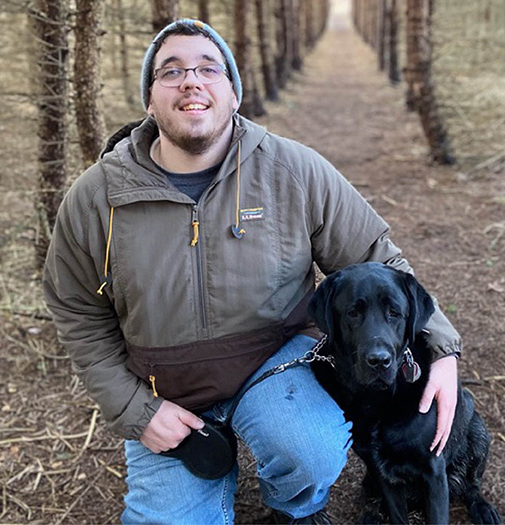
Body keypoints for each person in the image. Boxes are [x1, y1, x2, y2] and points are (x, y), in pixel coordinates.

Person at [43, 18, 462, 525]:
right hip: (163, 390)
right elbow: (77, 313)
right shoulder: (96, 198)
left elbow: (379, 257)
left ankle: (297, 508)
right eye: (170, 71)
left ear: (234, 93)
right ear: (150, 101)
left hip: (275, 364)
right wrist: (137, 413)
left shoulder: (294, 171)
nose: (191, 81)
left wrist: (439, 349)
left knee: (309, 451)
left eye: (208, 68)